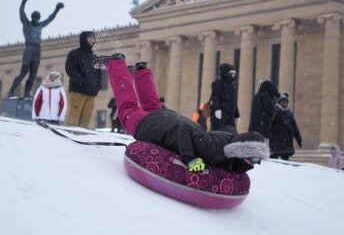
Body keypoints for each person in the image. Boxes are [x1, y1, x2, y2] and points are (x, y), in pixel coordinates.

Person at [98, 53, 269, 173]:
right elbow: (185, 130)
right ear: (241, 151)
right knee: (128, 108)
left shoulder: (230, 142)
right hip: (157, 128)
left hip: (167, 121)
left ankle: (141, 72)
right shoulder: (214, 150)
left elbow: (229, 129)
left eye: (258, 160)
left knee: (153, 107)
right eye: (254, 159)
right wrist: (188, 158)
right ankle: (116, 64)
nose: (255, 164)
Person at [8, 0, 64, 99]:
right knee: (23, 72)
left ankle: (27, 93)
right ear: (32, 17)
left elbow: (50, 18)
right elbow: (21, 11)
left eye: (38, 17)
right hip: (29, 48)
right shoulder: (27, 23)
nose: (37, 18)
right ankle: (11, 90)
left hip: (37, 50)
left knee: (33, 74)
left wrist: (57, 9)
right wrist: (24, 0)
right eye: (35, 16)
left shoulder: (40, 25)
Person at [65, 31, 102, 128]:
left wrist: (97, 86)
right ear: (83, 39)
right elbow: (70, 69)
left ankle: (82, 140)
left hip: (91, 94)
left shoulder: (95, 58)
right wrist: (81, 82)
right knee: (73, 118)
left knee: (86, 120)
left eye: (93, 39)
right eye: (89, 38)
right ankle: (69, 139)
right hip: (78, 91)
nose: (92, 40)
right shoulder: (74, 54)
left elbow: (98, 74)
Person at [269, 93, 302, 161]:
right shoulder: (275, 112)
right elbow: (270, 125)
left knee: (286, 159)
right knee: (274, 159)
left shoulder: (289, 113)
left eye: (286, 102)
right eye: (283, 101)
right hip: (276, 140)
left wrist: (299, 139)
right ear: (279, 102)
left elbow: (294, 127)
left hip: (287, 141)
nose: (285, 103)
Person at [210, 63, 240, 133]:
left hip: (230, 114)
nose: (233, 76)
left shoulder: (232, 86)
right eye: (231, 74)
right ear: (225, 73)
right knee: (218, 132)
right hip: (221, 113)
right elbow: (215, 97)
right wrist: (217, 109)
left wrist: (236, 114)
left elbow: (234, 101)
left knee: (232, 132)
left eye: (234, 74)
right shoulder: (217, 83)